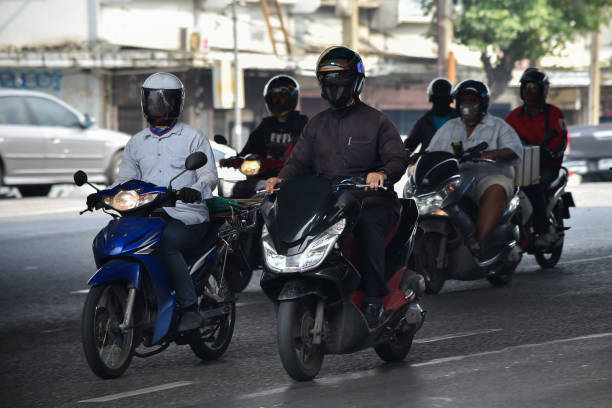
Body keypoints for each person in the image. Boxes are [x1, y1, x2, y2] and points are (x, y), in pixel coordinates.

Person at [265, 46, 408, 327]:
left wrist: (381, 173)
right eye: (328, 80)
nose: (335, 87)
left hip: (369, 200)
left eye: (340, 79)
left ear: (356, 82)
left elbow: (397, 158)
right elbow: (298, 162)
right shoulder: (316, 125)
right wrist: (281, 179)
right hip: (328, 200)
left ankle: (374, 299)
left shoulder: (377, 121)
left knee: (366, 228)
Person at [87, 72, 218, 332]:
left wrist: (194, 189)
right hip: (145, 214)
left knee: (167, 243)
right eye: (153, 100)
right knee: (109, 240)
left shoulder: (193, 137)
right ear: (144, 102)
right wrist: (103, 195)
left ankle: (189, 307)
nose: (159, 106)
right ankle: (129, 297)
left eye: (165, 101)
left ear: (177, 103)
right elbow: (124, 180)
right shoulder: (136, 143)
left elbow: (208, 176)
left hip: (186, 214)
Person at [427, 79, 523, 262]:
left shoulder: (498, 126)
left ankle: (478, 243)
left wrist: (492, 153)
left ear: (482, 103)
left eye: (472, 101)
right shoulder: (449, 127)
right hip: (457, 178)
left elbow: (513, 151)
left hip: (489, 177)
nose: (467, 105)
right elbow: (432, 152)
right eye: (463, 101)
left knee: (496, 189)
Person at [505, 67, 568, 248]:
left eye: (533, 87)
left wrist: (550, 152)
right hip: (519, 165)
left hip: (547, 166)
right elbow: (502, 137)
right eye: (526, 87)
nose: (529, 91)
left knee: (534, 187)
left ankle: (543, 231)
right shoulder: (513, 116)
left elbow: (561, 139)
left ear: (543, 90)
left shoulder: (555, 114)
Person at [219, 75, 308, 181]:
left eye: (282, 97)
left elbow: (311, 149)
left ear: (291, 98)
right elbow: (251, 148)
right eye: (275, 97)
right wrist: (235, 160)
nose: (278, 102)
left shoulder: (302, 123)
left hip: (294, 178)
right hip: (263, 177)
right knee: (239, 190)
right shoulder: (266, 125)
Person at [404, 77, 457, 154]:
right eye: (438, 98)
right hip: (428, 164)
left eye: (444, 99)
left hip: (455, 164)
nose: (441, 103)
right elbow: (409, 145)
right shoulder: (423, 122)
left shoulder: (460, 120)